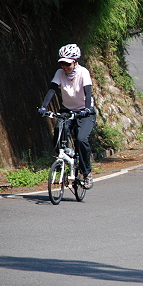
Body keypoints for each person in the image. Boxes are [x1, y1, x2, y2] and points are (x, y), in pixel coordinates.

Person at [38, 44, 96, 189]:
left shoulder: (83, 72)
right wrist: (44, 107)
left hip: (84, 112)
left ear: (75, 62)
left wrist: (87, 109)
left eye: (67, 63)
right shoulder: (59, 73)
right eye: (62, 63)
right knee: (58, 130)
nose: (64, 66)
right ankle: (62, 155)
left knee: (81, 140)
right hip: (67, 110)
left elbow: (87, 93)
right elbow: (52, 90)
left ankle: (86, 173)